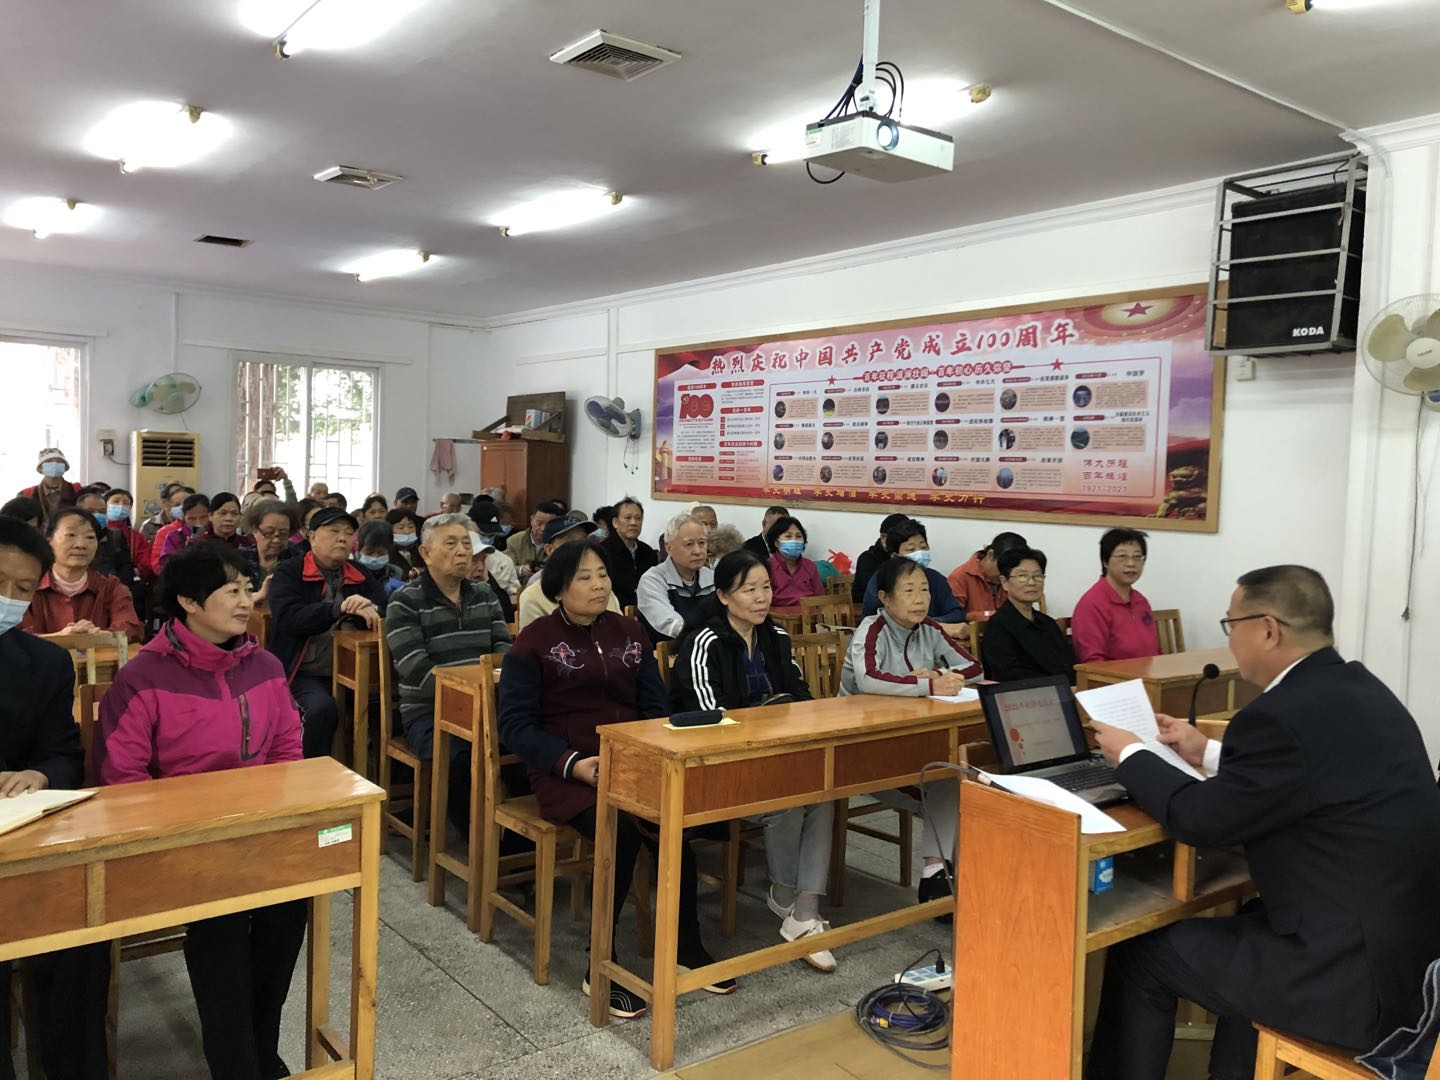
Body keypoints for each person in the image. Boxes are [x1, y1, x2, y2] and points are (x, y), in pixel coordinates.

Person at [1086, 566, 1440, 1080]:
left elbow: (1198, 819)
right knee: (1246, 923)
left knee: (1143, 953)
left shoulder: (1277, 715)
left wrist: (1130, 754)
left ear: (1268, 630)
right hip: (1408, 959)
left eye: (1232, 625)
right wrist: (1205, 751)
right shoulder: (1361, 689)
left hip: (1347, 979)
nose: (1230, 640)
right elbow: (1309, 774)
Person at [95, 542, 305, 1080]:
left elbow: (287, 748)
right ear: (189, 601)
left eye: (247, 588)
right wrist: (180, 835)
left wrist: (273, 819)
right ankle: (235, 1063)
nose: (246, 601)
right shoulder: (144, 676)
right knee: (223, 923)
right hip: (181, 839)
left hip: (257, 828)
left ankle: (262, 1045)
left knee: (289, 907)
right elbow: (122, 777)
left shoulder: (264, 665)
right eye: (231, 590)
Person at [498, 542, 734, 1019]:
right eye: (584, 577)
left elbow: (654, 706)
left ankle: (686, 945)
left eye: (603, 574)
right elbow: (516, 727)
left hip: (631, 760)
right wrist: (572, 764)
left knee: (675, 822)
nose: (599, 584)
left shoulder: (628, 631)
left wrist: (650, 754)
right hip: (567, 768)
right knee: (620, 830)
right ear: (559, 589)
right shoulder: (534, 642)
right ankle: (601, 961)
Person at [671, 550, 838, 972]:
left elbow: (801, 698)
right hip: (721, 767)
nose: (762, 597)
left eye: (766, 587)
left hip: (777, 758)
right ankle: (787, 898)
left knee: (825, 791)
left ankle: (801, 908)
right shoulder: (704, 642)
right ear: (724, 596)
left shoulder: (776, 637)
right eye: (749, 589)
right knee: (790, 800)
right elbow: (710, 719)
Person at [0, 517, 110, 1080]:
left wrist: (41, 775)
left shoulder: (42, 662)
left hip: (22, 841)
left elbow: (64, 753)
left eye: (21, 590)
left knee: (82, 931)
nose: (8, 598)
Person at [841, 556, 982, 913]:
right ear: (885, 598)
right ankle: (946, 873)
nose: (920, 599)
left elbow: (974, 668)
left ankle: (937, 872)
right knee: (947, 783)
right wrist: (924, 685)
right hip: (863, 743)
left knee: (954, 776)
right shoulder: (871, 628)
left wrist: (938, 674)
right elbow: (868, 679)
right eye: (908, 590)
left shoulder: (929, 628)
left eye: (924, 590)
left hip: (913, 737)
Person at [385, 513, 512, 829]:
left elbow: (503, 652)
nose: (463, 552)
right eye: (451, 544)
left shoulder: (484, 595)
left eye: (467, 544)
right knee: (462, 755)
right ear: (426, 553)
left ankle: (512, 834)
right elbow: (416, 669)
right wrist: (472, 699)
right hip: (429, 713)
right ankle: (478, 843)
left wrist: (491, 697)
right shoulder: (405, 601)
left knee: (524, 740)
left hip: (487, 707)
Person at [265, 507, 385, 758]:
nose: (342, 538)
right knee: (320, 710)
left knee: (390, 706)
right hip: (304, 671)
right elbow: (289, 617)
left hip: (356, 672)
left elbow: (383, 607)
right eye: (334, 531)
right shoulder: (289, 572)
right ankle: (311, 774)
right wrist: (336, 609)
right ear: (312, 537)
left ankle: (370, 773)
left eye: (349, 533)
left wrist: (370, 608)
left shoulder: (360, 573)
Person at [21, 507, 143, 640]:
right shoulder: (26, 585)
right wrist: (62, 638)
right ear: (49, 540)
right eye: (71, 535)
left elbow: (130, 627)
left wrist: (99, 636)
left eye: (90, 537)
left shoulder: (111, 587)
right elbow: (16, 635)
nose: (81, 545)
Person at [978, 546, 1075, 683]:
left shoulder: (1048, 623)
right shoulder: (999, 626)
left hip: (1066, 690)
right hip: (1030, 694)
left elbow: (1068, 663)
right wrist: (1062, 687)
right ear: (1004, 582)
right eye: (1022, 576)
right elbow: (1010, 675)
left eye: (1038, 576)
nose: (1032, 582)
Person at [1070, 528, 1161, 663]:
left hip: (1149, 674)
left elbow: (1154, 650)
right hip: (1114, 676)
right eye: (1122, 556)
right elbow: (1092, 662)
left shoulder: (1140, 600)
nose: (1131, 564)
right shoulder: (1092, 604)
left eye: (1137, 557)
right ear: (1105, 561)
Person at [857, 519, 967, 627]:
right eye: (911, 549)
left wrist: (931, 625)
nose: (920, 553)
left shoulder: (936, 578)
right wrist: (926, 626)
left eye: (923, 547)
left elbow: (957, 613)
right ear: (895, 556)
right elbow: (871, 620)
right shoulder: (881, 580)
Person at [518, 515, 621, 629]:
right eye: (570, 543)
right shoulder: (532, 597)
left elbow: (620, 630)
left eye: (583, 540)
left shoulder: (602, 588)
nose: (579, 548)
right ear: (549, 549)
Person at [637, 513, 714, 642]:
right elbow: (669, 624)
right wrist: (709, 639)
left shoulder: (713, 578)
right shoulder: (652, 580)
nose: (697, 551)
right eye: (689, 544)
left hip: (709, 647)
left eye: (702, 543)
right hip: (670, 652)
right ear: (669, 548)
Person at [946, 530, 1027, 620]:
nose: (1007, 575)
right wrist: (989, 615)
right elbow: (951, 617)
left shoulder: (1012, 578)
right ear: (990, 555)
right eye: (1005, 567)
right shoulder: (959, 577)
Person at [599, 496, 656, 611]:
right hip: (613, 611)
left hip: (647, 612)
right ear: (615, 522)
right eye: (628, 518)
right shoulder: (602, 551)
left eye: (638, 518)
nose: (633, 523)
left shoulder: (649, 552)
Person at [76, 484, 136, 587]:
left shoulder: (116, 536)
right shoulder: (69, 538)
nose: (97, 515)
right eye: (90, 511)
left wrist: (117, 589)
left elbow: (126, 568)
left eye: (102, 511)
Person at [243, 499, 300, 599]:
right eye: (269, 532)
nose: (276, 540)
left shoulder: (298, 561)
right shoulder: (239, 561)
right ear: (255, 530)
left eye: (283, 533)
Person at [764, 515, 825, 608]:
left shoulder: (810, 566)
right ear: (776, 543)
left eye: (798, 536)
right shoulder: (767, 567)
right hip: (778, 615)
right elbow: (763, 602)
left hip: (810, 615)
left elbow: (820, 599)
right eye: (788, 536)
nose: (794, 540)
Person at [852, 513, 912, 604]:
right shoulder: (867, 559)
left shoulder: (908, 557)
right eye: (899, 539)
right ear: (883, 538)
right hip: (867, 607)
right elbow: (878, 590)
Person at [16, 447, 81, 525]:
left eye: (58, 462)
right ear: (40, 468)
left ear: (65, 467)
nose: (54, 464)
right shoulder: (26, 494)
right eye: (49, 462)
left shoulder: (77, 491)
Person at [505, 500, 563, 583]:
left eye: (549, 525)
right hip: (520, 586)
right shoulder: (514, 540)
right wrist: (521, 570)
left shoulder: (560, 542)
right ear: (531, 520)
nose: (543, 529)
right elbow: (505, 568)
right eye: (539, 523)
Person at [151, 492, 210, 573]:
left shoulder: (215, 534)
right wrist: (187, 550)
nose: (198, 523)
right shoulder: (174, 537)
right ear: (184, 518)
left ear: (211, 515)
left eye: (203, 517)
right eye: (191, 518)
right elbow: (165, 568)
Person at [354, 519, 405, 606]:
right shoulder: (349, 572)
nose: (375, 557)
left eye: (381, 553)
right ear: (359, 548)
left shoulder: (396, 573)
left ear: (389, 551)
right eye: (369, 552)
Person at [386, 508, 426, 577]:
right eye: (401, 528)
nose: (407, 532)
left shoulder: (422, 548)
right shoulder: (385, 552)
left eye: (411, 527)